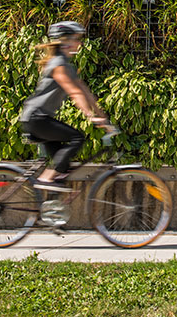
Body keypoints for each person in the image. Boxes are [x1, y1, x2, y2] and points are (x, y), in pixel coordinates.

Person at [19, 21, 111, 192]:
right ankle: (45, 179)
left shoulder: (66, 65)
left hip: (39, 118)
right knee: (77, 138)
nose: (80, 43)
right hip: (36, 118)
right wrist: (91, 117)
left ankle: (48, 211)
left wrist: (102, 116)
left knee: (62, 169)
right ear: (65, 41)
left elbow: (84, 91)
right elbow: (74, 92)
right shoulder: (58, 65)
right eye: (76, 39)